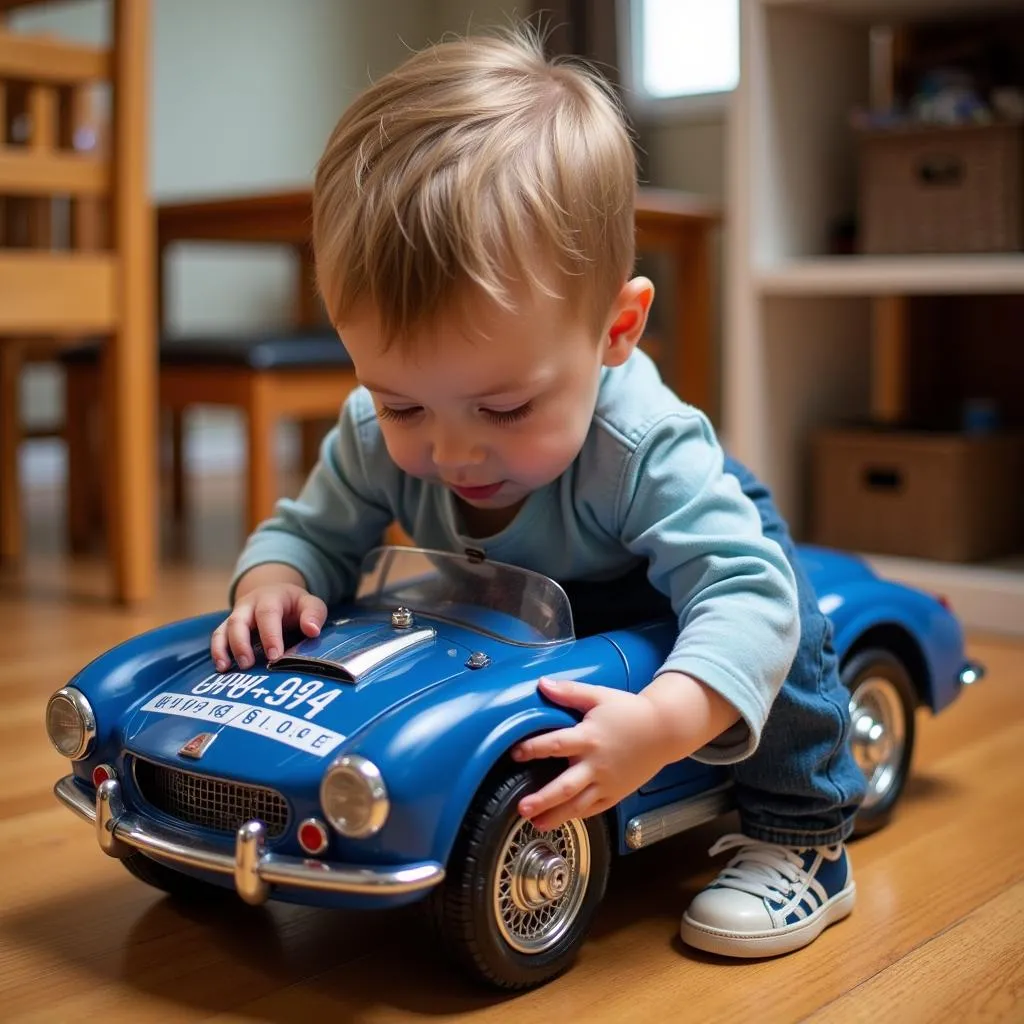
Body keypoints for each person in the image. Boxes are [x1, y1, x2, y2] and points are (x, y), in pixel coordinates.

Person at [211, 25, 866, 958]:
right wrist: (271, 580)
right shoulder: (376, 434)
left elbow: (741, 598)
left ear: (617, 330)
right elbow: (307, 532)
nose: (449, 449)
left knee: (781, 611)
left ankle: (804, 838)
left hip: (664, 570)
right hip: (512, 613)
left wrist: (662, 724)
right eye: (401, 402)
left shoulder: (643, 449)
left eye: (505, 406)